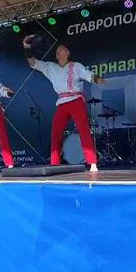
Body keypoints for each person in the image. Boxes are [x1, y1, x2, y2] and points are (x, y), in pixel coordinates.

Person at [23, 35, 105, 172]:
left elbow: (87, 74)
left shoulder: (75, 66)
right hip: (62, 102)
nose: (58, 51)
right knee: (56, 132)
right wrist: (27, 47)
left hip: (76, 100)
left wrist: (98, 79)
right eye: (57, 50)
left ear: (67, 53)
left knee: (84, 130)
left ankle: (92, 162)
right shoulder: (50, 67)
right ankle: (54, 163)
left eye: (61, 49)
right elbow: (32, 63)